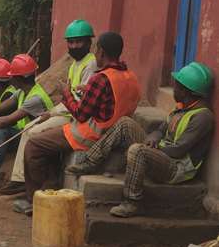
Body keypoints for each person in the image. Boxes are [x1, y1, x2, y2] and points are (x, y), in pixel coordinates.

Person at [13, 31, 141, 215]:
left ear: (101, 52)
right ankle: (50, 187)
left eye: (96, 50)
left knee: (34, 144)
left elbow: (81, 114)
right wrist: (86, 91)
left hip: (92, 132)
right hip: (114, 130)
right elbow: (113, 101)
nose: (95, 54)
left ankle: (35, 201)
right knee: (46, 141)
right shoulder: (131, 76)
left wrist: (66, 93)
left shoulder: (100, 78)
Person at [66, 61, 214, 218]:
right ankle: (90, 162)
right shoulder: (183, 107)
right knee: (125, 123)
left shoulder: (202, 117)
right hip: (163, 153)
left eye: (177, 86)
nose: (174, 89)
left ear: (186, 91)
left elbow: (178, 150)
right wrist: (153, 138)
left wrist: (153, 148)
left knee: (137, 151)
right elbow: (160, 130)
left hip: (176, 168)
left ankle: (132, 202)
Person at [1, 19, 97, 196]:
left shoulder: (91, 64)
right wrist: (51, 112)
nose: (74, 46)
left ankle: (30, 182)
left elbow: (78, 100)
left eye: (78, 42)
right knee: (30, 129)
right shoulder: (75, 65)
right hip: (66, 111)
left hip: (75, 117)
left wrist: (57, 110)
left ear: (88, 42)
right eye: (71, 42)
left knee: (33, 134)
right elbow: (67, 97)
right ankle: (19, 178)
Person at [0, 54, 54, 193]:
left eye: (12, 76)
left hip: (36, 138)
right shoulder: (21, 91)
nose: (10, 79)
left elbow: (7, 120)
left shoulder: (34, 98)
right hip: (25, 133)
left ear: (17, 79)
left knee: (2, 130)